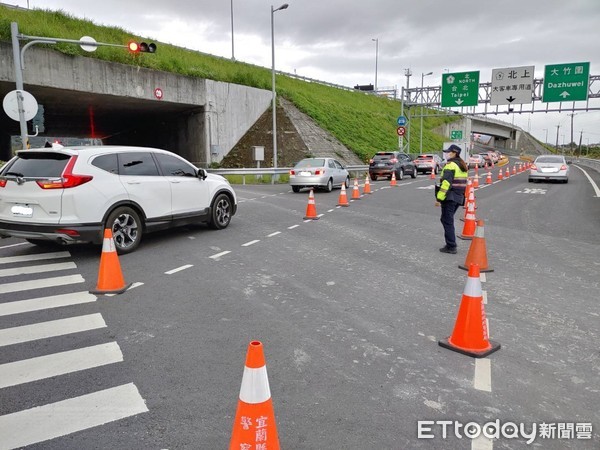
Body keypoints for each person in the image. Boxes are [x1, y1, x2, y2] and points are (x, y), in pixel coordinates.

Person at [435, 144, 468, 254]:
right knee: (446, 219)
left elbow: (446, 184)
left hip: (450, 198)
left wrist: (439, 199)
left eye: (448, 152)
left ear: (454, 153)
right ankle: (450, 244)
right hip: (458, 197)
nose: (446, 153)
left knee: (447, 220)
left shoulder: (450, 165)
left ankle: (451, 246)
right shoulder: (462, 166)